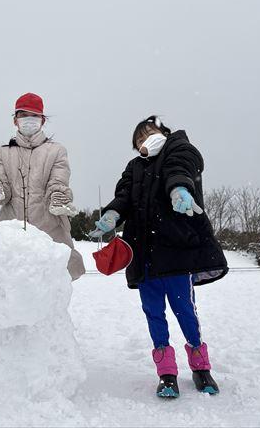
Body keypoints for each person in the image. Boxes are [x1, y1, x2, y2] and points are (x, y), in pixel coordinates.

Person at [90, 115, 227, 398]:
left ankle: (201, 368)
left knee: (185, 311)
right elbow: (124, 195)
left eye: (150, 133)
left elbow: (181, 168)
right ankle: (166, 374)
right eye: (140, 139)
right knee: (154, 314)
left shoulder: (178, 148)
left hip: (176, 253)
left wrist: (179, 189)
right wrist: (112, 213)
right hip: (143, 256)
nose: (145, 140)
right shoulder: (134, 166)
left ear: (164, 132)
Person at [0, 92, 85, 280]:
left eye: (34, 115)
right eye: (23, 114)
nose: (29, 119)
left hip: (49, 231)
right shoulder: (4, 152)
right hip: (12, 235)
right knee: (14, 285)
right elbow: (2, 188)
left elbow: (58, 180)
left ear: (42, 120)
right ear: (15, 120)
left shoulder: (56, 151)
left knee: (48, 286)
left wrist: (57, 196)